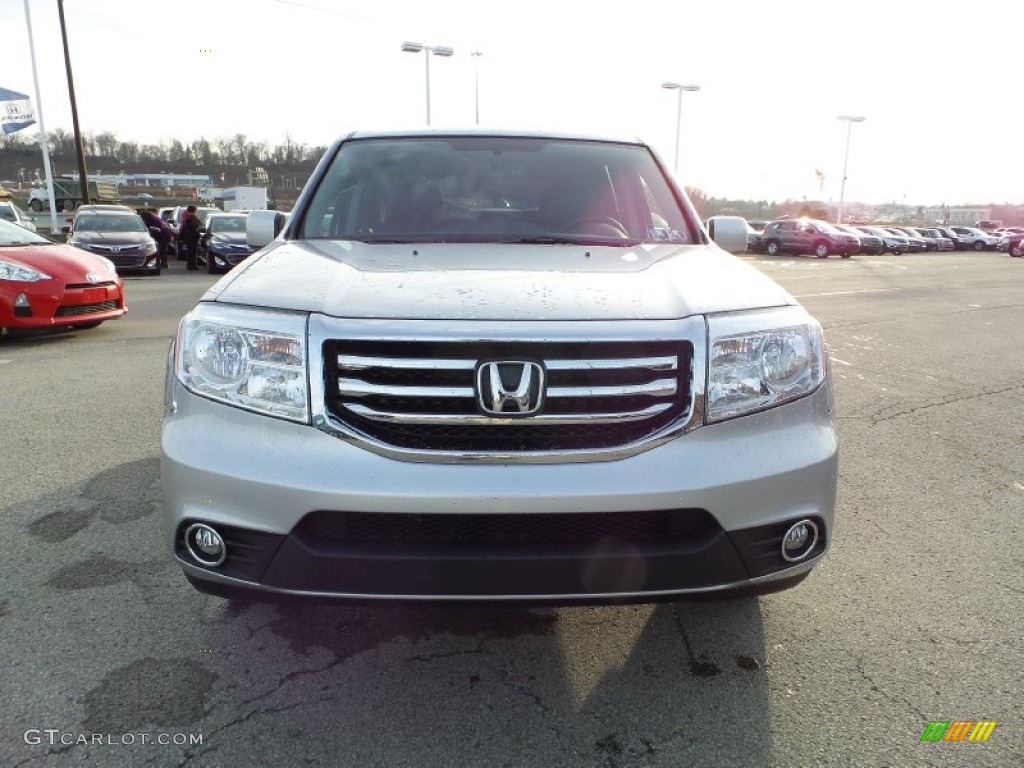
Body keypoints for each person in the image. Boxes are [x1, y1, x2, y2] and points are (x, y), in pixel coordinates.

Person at [178, 205, 202, 270]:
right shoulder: (193, 217)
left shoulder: (188, 217)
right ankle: (192, 266)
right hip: (192, 237)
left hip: (188, 237)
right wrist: (198, 234)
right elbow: (195, 228)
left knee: (190, 252)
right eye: (196, 210)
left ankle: (190, 265)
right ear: (194, 210)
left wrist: (181, 237)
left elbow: (183, 228)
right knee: (193, 252)